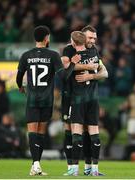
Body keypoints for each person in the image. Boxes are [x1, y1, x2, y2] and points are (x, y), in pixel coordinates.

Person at [16, 25, 77, 176]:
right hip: (46, 99)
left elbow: (19, 77)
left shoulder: (26, 55)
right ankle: (36, 165)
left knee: (32, 132)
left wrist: (21, 87)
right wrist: (73, 63)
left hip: (31, 99)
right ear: (46, 38)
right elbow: (63, 77)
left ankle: (35, 164)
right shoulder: (53, 55)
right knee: (41, 132)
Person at [61, 26, 108, 176]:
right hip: (76, 96)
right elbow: (66, 66)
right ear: (82, 36)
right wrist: (89, 67)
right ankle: (82, 169)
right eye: (90, 38)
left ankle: (85, 169)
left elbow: (104, 72)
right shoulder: (70, 49)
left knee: (84, 131)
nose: (93, 41)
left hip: (86, 97)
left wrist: (91, 76)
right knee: (80, 131)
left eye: (94, 38)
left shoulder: (94, 50)